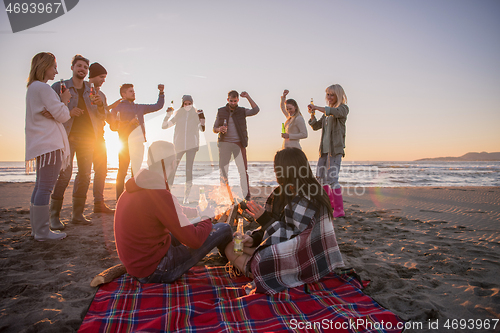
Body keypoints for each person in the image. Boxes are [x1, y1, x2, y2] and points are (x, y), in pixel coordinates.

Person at [223, 148, 344, 294]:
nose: (275, 173)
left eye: (277, 169)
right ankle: (257, 264)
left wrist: (264, 218)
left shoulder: (309, 196)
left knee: (259, 259)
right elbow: (274, 228)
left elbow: (293, 238)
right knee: (233, 247)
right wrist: (254, 238)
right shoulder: (281, 193)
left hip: (307, 255)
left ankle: (257, 273)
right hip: (287, 248)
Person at [114, 141, 233, 283]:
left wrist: (198, 212)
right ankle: (230, 259)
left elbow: (172, 211)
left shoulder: (136, 187)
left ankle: (225, 255)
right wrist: (206, 218)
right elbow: (194, 241)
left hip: (137, 264)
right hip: (154, 270)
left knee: (192, 225)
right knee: (224, 228)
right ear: (172, 164)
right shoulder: (160, 195)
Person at [49, 55, 106, 228]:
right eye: (79, 66)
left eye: (85, 67)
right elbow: (50, 109)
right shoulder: (60, 86)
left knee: (85, 175)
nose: (82, 69)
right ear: (73, 67)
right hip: (66, 137)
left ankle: (77, 215)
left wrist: (101, 105)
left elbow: (103, 117)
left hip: (89, 139)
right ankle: (54, 216)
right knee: (64, 174)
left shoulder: (95, 91)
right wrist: (68, 110)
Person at [25, 52, 73, 241]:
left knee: (40, 186)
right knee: (45, 188)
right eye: (54, 67)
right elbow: (63, 116)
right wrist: (64, 100)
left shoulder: (32, 88)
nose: (56, 71)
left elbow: (55, 114)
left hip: (41, 143)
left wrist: (56, 109)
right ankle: (43, 232)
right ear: (45, 67)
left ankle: (37, 230)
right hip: (50, 144)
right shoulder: (43, 88)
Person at [109, 83, 165, 200]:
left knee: (136, 173)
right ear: (123, 95)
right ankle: (119, 200)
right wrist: (129, 123)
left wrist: (161, 93)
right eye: (130, 91)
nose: (133, 93)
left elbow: (158, 106)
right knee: (122, 172)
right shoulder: (117, 108)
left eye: (133, 91)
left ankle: (133, 199)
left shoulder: (140, 107)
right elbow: (113, 127)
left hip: (138, 143)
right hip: (124, 143)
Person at [307, 84, 349, 218]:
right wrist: (312, 115)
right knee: (320, 178)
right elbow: (315, 126)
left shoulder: (343, 109)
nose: (329, 97)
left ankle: (339, 209)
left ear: (338, 95)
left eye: (332, 94)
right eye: (328, 95)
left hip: (334, 150)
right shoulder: (326, 114)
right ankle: (329, 204)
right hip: (323, 151)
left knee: (332, 179)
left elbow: (332, 111)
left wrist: (317, 108)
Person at [213, 90, 259, 200]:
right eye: (231, 101)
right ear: (227, 99)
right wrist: (220, 129)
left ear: (238, 100)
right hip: (225, 144)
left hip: (239, 144)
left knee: (243, 170)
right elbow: (214, 128)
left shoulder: (242, 111)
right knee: (223, 171)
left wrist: (247, 96)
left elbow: (256, 110)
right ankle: (224, 194)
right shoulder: (221, 111)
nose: (233, 103)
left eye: (235, 101)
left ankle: (246, 195)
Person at [162, 95, 206, 203]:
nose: (187, 106)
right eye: (185, 104)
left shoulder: (196, 115)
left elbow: (202, 128)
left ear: (192, 104)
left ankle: (186, 197)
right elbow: (164, 126)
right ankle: (168, 193)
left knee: (188, 171)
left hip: (191, 146)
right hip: (179, 146)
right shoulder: (178, 115)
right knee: (173, 169)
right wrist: (167, 115)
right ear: (183, 104)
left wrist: (202, 116)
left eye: (189, 104)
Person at [88, 62, 119, 214]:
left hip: (100, 137)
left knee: (101, 170)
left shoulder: (102, 95)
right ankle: (77, 209)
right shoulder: (83, 91)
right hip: (84, 136)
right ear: (92, 75)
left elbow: (103, 115)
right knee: (84, 172)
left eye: (105, 77)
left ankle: (98, 204)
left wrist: (108, 108)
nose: (103, 80)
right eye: (101, 77)